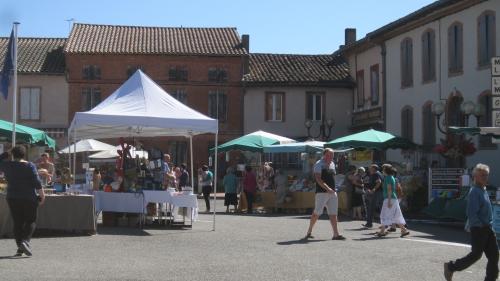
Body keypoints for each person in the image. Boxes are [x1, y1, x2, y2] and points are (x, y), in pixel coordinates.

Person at [444, 163, 498, 281]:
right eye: (482, 175)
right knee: (476, 255)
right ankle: (451, 266)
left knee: (494, 256)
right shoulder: (474, 191)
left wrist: (489, 225)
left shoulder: (483, 189)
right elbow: (472, 213)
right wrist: (480, 226)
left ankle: (491, 279)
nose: (485, 177)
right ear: (475, 177)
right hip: (479, 229)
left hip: (488, 228)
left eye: (486, 175)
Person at [0, 146, 45, 257]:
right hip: (28, 197)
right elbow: (37, 182)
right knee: (31, 220)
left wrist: (6, 153)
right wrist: (42, 195)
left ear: (13, 154)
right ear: (24, 154)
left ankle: (20, 248)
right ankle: (25, 241)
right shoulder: (30, 165)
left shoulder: (7, 165)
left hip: (12, 197)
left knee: (17, 222)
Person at [304, 148, 345, 240]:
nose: (331, 157)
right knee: (317, 213)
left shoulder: (332, 164)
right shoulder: (319, 164)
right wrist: (328, 188)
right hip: (322, 192)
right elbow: (318, 179)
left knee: (333, 214)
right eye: (329, 155)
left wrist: (335, 187)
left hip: (332, 192)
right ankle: (309, 231)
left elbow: (332, 177)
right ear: (324, 155)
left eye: (332, 155)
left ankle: (336, 234)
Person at [375, 165, 409, 238]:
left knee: (385, 214)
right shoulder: (392, 177)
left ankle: (382, 231)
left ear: (386, 171)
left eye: (383, 170)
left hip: (389, 199)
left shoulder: (387, 178)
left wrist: (389, 201)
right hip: (393, 199)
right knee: (396, 215)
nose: (382, 171)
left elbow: (389, 189)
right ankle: (404, 230)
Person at [363, 164, 383, 228]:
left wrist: (373, 189)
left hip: (376, 193)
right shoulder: (376, 174)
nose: (369, 169)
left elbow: (379, 182)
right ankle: (383, 224)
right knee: (380, 208)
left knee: (371, 208)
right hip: (378, 192)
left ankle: (369, 223)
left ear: (373, 169)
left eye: (370, 168)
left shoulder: (376, 174)